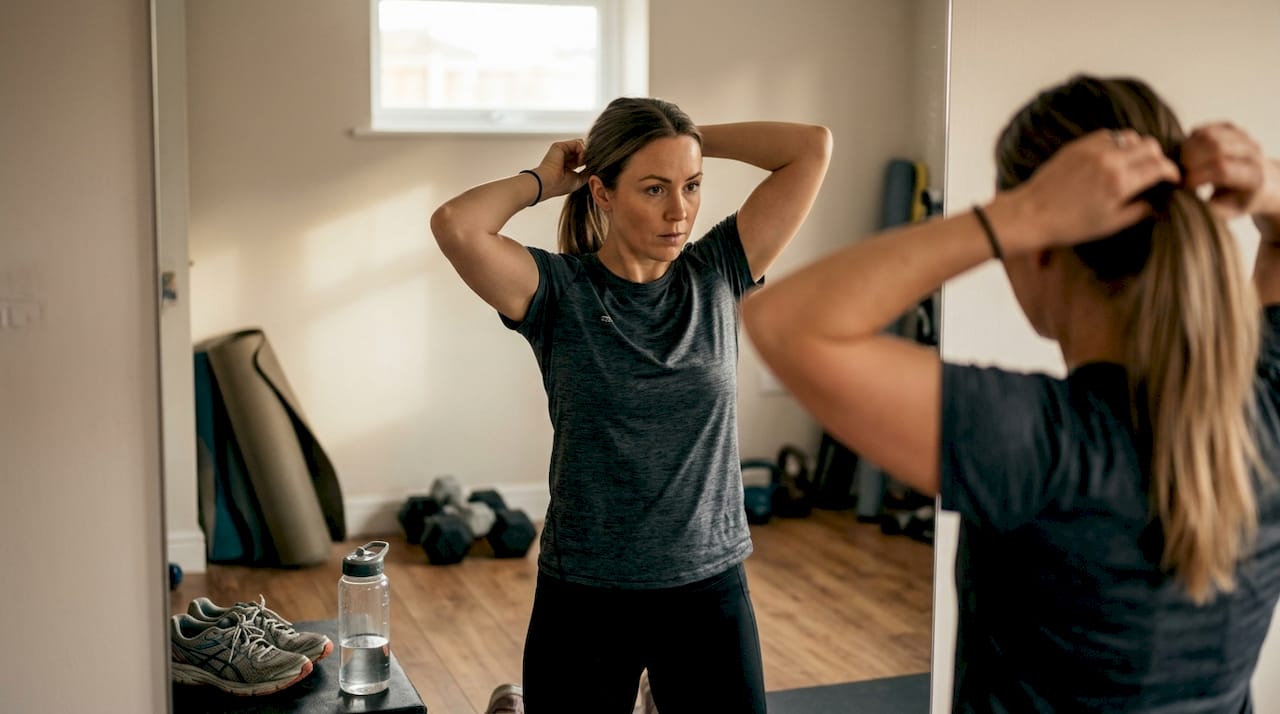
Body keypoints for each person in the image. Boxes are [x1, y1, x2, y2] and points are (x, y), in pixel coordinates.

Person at [741, 74, 1280, 711]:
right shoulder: (1266, 402)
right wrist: (1268, 184)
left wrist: (1021, 215)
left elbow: (785, 322)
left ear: (1041, 249)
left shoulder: (1044, 447)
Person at [431, 97, 832, 713]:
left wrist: (686, 141)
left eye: (692, 186)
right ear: (603, 193)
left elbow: (811, 146)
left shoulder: (720, 269)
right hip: (586, 592)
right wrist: (544, 180)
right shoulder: (557, 293)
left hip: (707, 587)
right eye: (653, 189)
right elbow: (457, 223)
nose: (680, 211)